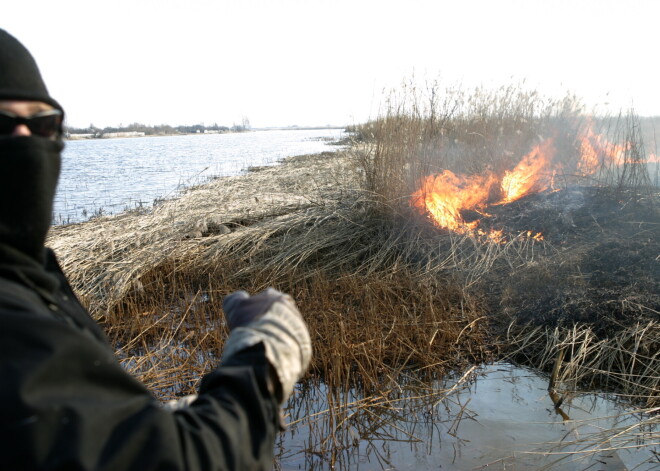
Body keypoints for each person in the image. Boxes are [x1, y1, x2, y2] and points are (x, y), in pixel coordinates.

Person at [0, 28, 312, 470]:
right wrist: (264, 354)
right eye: (1, 124)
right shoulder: (10, 316)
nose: (26, 141)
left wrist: (167, 414)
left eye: (44, 123)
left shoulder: (33, 276)